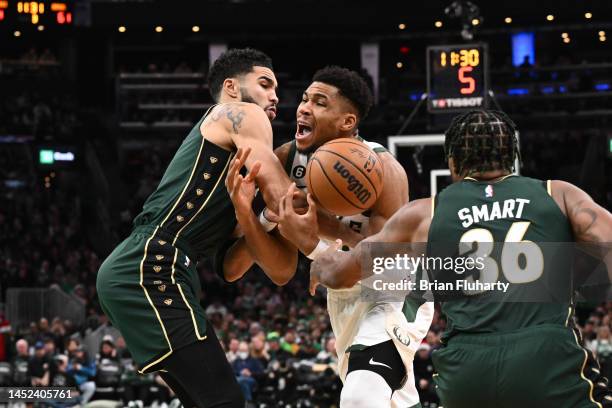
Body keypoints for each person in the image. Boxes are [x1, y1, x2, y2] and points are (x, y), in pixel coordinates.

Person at [309, 110, 612, 407]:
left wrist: (321, 262)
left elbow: (340, 275)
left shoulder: (424, 214)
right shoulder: (557, 194)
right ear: (514, 157)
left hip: (466, 370)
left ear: (452, 162)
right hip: (545, 357)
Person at [97, 48, 301, 408]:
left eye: (276, 89)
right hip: (152, 263)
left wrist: (257, 218)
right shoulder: (240, 113)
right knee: (224, 401)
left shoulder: (236, 176)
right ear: (232, 88)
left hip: (153, 266)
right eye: (265, 84)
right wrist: (328, 231)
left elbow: (230, 269)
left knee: (206, 402)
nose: (275, 96)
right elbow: (281, 191)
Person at [221, 66, 433, 407]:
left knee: (362, 395)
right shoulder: (286, 160)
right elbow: (262, 271)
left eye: (319, 103)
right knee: (393, 399)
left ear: (347, 122)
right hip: (342, 290)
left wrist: (321, 226)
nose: (303, 108)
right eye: (304, 99)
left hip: (398, 290)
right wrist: (251, 216)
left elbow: (387, 256)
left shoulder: (383, 169)